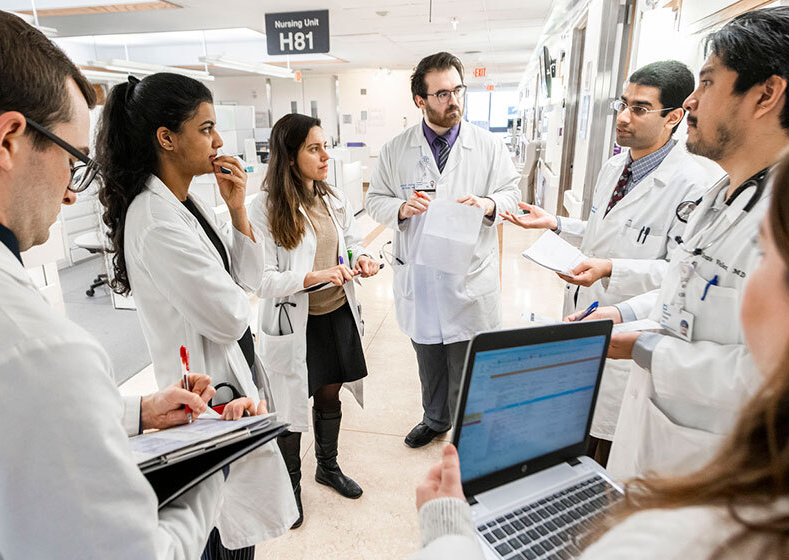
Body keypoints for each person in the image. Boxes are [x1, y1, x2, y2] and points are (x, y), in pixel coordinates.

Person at [412, 117, 789, 559]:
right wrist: (622, 309)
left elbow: (680, 273)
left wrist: (446, 528)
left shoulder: (696, 537)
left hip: (676, 411)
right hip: (624, 330)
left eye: (765, 254)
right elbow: (681, 278)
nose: (694, 101)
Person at [0, 6, 225, 558]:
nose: (72, 193)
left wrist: (131, 414)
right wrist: (212, 461)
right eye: (73, 160)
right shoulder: (37, 348)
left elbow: (8, 422)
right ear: (9, 141)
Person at [595, 6, 789, 481]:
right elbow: (686, 287)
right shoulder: (726, 194)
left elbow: (784, 376)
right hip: (658, 446)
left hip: (719, 474)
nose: (689, 102)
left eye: (706, 83)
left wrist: (647, 348)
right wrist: (625, 315)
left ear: (766, 95)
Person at [96, 72, 298, 557]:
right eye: (206, 128)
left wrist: (236, 211)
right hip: (204, 397)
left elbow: (245, 279)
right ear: (166, 138)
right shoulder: (154, 219)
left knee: (234, 533)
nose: (219, 141)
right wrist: (233, 292)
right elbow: (231, 315)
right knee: (220, 535)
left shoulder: (186, 202)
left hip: (228, 383)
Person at [501, 60, 713, 466]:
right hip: (589, 309)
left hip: (631, 326)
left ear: (673, 117)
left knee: (608, 447)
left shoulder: (693, 185)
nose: (623, 117)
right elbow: (607, 228)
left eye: (639, 108)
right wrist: (558, 222)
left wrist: (611, 268)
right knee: (576, 425)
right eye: (623, 103)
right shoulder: (618, 164)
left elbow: (681, 270)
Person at [365, 52, 520, 449]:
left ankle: (468, 431)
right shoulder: (395, 150)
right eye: (442, 94)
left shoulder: (487, 145)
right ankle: (434, 420)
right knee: (429, 358)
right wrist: (399, 208)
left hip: (468, 276)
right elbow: (374, 199)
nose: (453, 100)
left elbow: (512, 195)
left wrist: (488, 204)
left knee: (467, 361)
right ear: (420, 100)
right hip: (420, 274)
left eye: (457, 90)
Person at [249, 113, 380, 528]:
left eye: (326, 146)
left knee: (329, 396)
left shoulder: (332, 197)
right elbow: (263, 280)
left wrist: (360, 257)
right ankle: (290, 488)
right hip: (294, 322)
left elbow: (352, 239)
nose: (326, 156)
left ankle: (328, 467)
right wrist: (313, 277)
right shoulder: (264, 207)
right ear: (290, 157)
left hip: (335, 313)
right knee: (290, 411)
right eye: (314, 148)